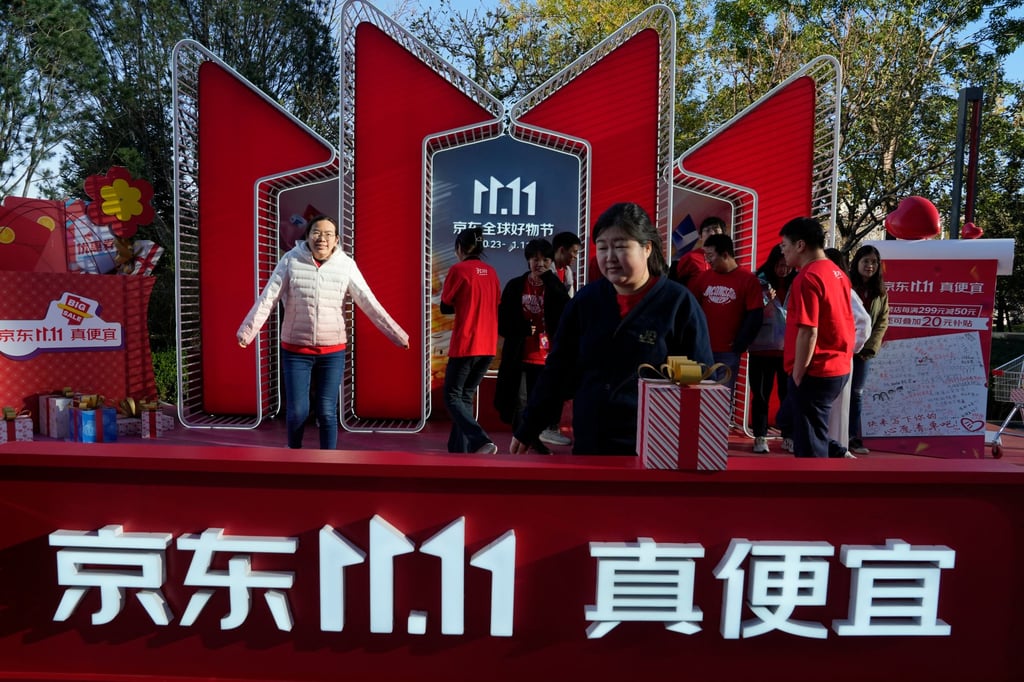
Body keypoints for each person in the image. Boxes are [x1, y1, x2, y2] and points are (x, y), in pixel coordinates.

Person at [509, 202, 713, 456]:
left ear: (647, 248)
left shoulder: (678, 303)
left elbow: (700, 375)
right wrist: (530, 424)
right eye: (603, 247)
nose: (610, 257)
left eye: (621, 246)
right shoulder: (586, 301)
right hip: (593, 437)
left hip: (657, 441)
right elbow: (558, 369)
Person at [237, 215, 410, 449]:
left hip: (332, 352)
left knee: (327, 412)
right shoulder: (290, 260)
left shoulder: (346, 265)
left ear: (336, 239)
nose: (322, 238)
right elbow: (268, 297)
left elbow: (368, 301)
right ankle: (294, 456)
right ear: (307, 237)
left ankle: (329, 463)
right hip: (295, 350)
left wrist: (397, 335)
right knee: (298, 411)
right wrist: (247, 332)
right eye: (317, 233)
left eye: (328, 234)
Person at [774, 217, 855, 458]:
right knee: (808, 429)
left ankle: (817, 477)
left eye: (785, 245)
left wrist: (798, 374)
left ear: (800, 245)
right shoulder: (837, 272)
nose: (783, 251)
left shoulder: (807, 277)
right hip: (837, 366)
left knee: (810, 446)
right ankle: (834, 453)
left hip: (815, 369)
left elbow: (808, 331)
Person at [494, 239, 570, 451]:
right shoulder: (515, 286)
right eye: (535, 259)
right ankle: (529, 442)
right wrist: (523, 328)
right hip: (519, 353)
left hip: (547, 355)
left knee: (541, 400)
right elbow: (503, 321)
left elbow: (567, 313)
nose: (540, 264)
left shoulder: (554, 287)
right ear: (528, 260)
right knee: (520, 401)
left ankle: (533, 437)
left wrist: (551, 281)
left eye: (545, 259)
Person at [439, 227, 501, 454]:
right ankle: (459, 450)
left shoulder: (458, 270)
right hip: (488, 346)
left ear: (459, 248)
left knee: (452, 396)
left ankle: (480, 440)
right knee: (464, 396)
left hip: (467, 343)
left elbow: (445, 306)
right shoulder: (491, 272)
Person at [687, 233, 763, 403]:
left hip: (728, 352)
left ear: (725, 254)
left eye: (711, 256)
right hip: (702, 350)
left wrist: (741, 342)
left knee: (720, 401)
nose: (708, 261)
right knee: (697, 399)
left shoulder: (748, 280)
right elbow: (692, 310)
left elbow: (755, 314)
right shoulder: (703, 278)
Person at [824, 247, 873, 454]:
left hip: (838, 359)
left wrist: (849, 349)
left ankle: (838, 449)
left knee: (838, 410)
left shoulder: (845, 291)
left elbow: (864, 323)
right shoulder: (826, 289)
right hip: (825, 359)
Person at [747, 245, 795, 453]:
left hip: (788, 350)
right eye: (779, 265)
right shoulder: (758, 281)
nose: (783, 270)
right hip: (761, 348)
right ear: (772, 263)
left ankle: (789, 435)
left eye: (787, 266)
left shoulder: (798, 281)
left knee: (788, 395)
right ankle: (760, 435)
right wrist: (765, 297)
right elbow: (749, 310)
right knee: (761, 395)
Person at [848, 244, 889, 455]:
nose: (870, 266)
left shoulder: (880, 292)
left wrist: (870, 348)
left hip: (864, 353)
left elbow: (882, 322)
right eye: (866, 261)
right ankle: (834, 435)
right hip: (843, 349)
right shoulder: (846, 284)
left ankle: (852, 437)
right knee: (838, 393)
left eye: (874, 262)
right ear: (857, 263)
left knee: (856, 393)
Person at [671, 216, 725, 286]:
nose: (712, 234)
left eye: (716, 230)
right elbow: (674, 284)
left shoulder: (727, 261)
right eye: (707, 230)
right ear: (700, 236)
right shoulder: (690, 258)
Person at [551, 231, 582, 297]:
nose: (576, 257)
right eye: (574, 252)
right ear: (562, 250)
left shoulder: (568, 272)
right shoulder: (545, 272)